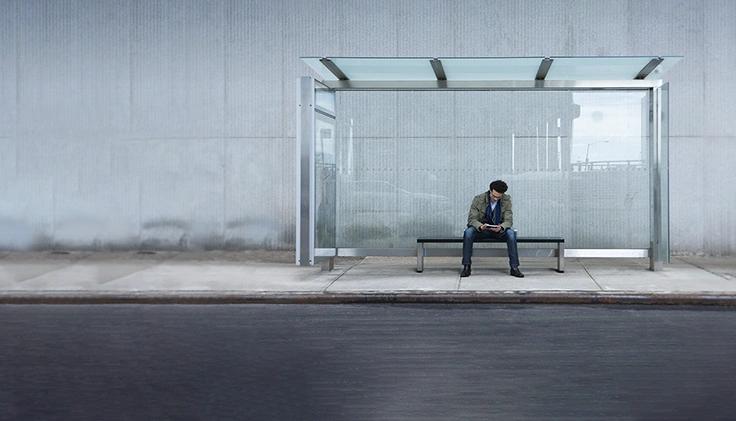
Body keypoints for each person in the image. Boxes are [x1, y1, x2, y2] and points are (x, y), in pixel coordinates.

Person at [461, 180, 524, 278]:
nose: (495, 199)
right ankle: (466, 266)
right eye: (494, 196)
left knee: (511, 234)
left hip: (498, 230)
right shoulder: (479, 199)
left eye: (498, 197)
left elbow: (509, 220)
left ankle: (514, 267)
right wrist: (480, 226)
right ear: (490, 191)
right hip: (482, 229)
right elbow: (472, 219)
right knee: (468, 232)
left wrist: (501, 227)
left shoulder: (506, 200)